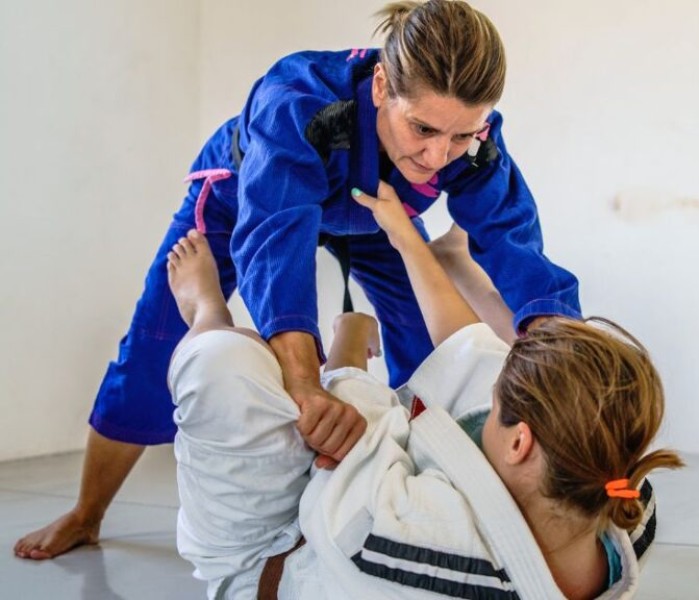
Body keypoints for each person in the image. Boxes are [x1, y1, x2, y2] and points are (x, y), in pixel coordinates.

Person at [14, 0, 580, 560]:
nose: (438, 155)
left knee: (428, 349)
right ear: (382, 86)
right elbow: (274, 236)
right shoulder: (299, 97)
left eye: (460, 137)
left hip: (373, 211)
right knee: (153, 343)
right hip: (248, 199)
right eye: (423, 129)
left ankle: (423, 496)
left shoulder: (470, 140)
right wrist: (305, 384)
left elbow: (512, 241)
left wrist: (570, 364)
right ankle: (87, 515)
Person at [167, 181, 683, 599]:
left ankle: (204, 313)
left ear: (520, 442)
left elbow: (345, 429)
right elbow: (469, 353)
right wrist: (404, 235)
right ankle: (438, 257)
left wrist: (349, 339)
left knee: (225, 361)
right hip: (355, 515)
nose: (491, 386)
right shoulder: (620, 497)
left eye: (498, 399)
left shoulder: (415, 534)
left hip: (273, 559)